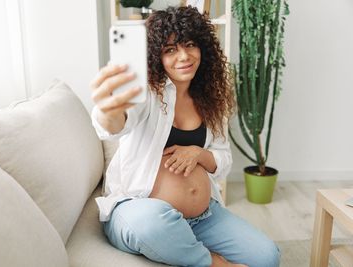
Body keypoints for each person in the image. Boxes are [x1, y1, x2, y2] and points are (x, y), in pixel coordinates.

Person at [90, 6, 280, 267]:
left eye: (190, 44)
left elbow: (223, 160)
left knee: (266, 258)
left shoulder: (210, 99)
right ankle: (213, 263)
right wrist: (107, 110)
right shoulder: (147, 93)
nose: (183, 56)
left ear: (203, 47)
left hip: (203, 217)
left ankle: (185, 244)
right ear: (156, 56)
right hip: (137, 209)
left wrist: (199, 154)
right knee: (152, 222)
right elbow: (114, 125)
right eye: (170, 50)